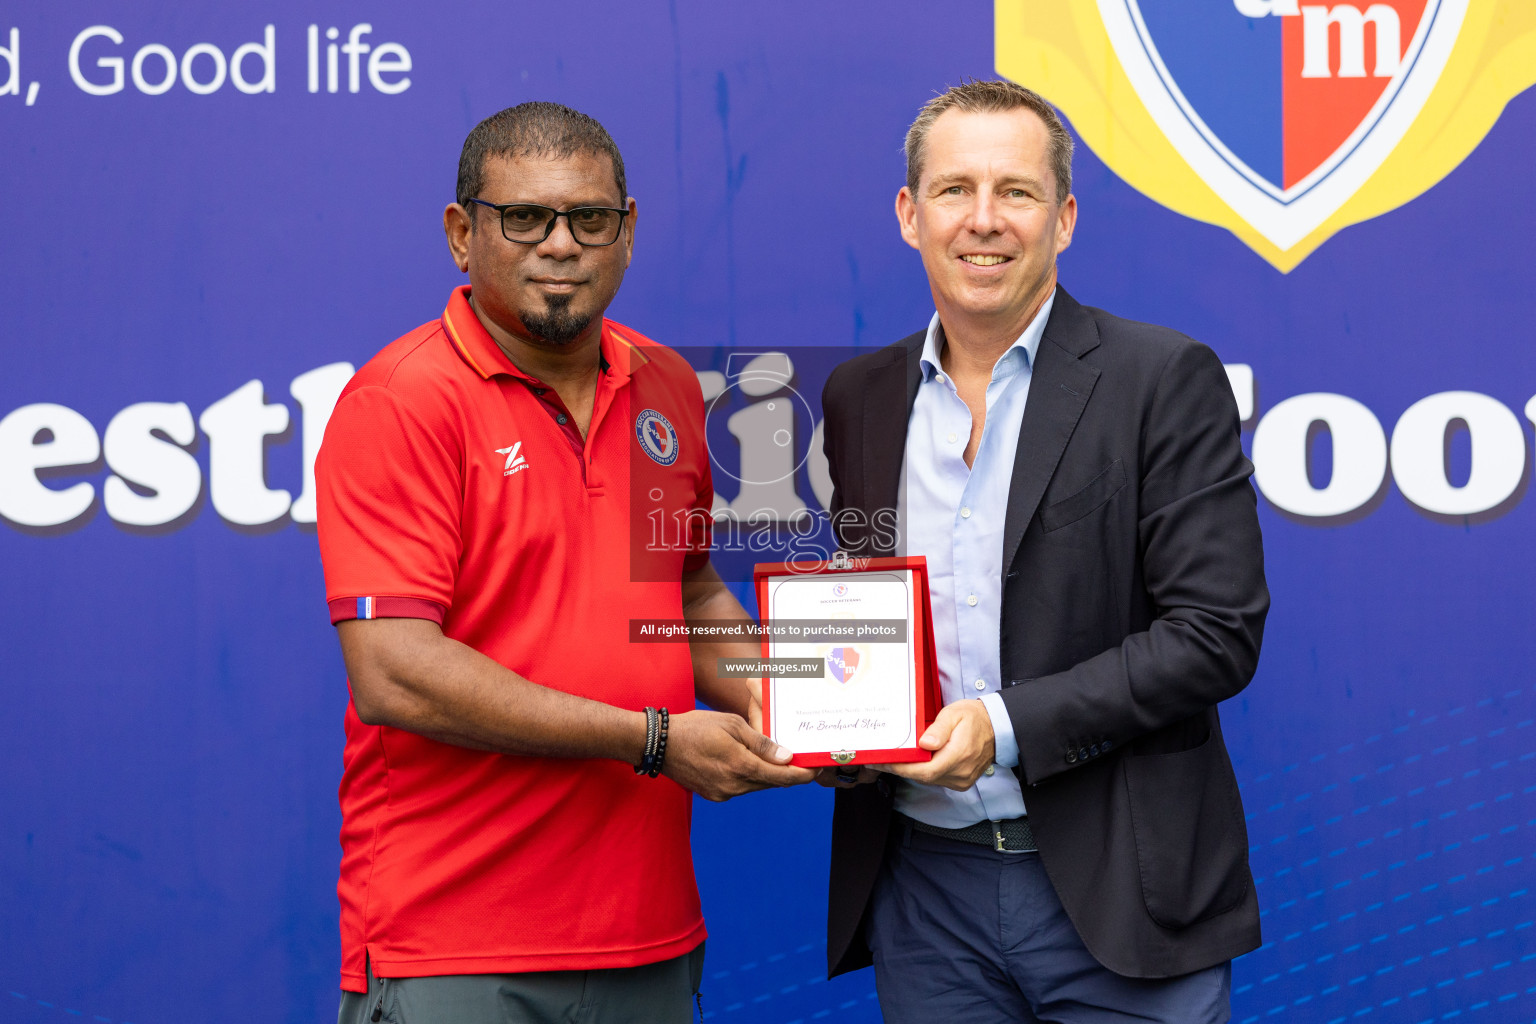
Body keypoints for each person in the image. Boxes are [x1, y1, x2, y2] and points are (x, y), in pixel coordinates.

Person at [316, 101, 812, 1024]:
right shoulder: (401, 401)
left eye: (589, 219)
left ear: (626, 234)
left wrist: (791, 699)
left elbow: (689, 590)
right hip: (458, 945)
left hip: (649, 934)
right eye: (525, 219)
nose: (560, 245)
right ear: (463, 235)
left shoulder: (664, 383)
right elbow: (393, 673)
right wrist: (654, 739)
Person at [817, 80, 1269, 1022]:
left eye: (1016, 192)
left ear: (1063, 219)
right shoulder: (859, 395)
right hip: (923, 896)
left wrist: (1001, 725)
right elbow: (865, 611)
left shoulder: (1161, 379)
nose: (984, 221)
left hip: (1117, 891)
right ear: (910, 214)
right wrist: (828, 722)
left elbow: (1215, 632)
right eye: (953, 191)